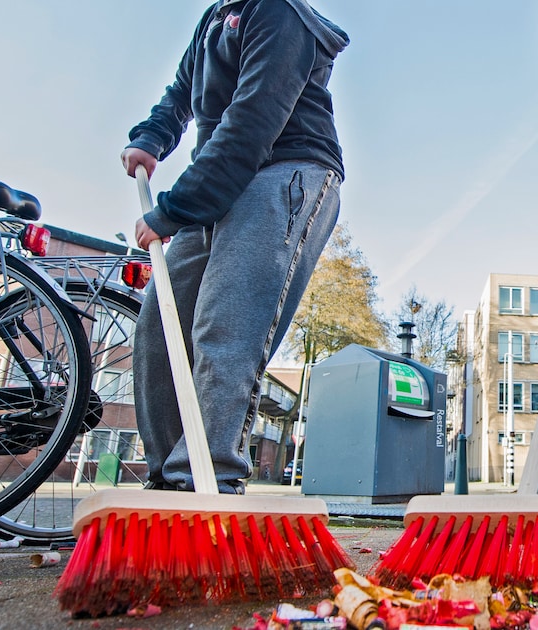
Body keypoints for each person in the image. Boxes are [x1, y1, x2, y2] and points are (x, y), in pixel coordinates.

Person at [120, 0, 348, 495]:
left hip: (284, 170)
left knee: (227, 324)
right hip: (218, 182)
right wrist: (153, 136)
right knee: (160, 327)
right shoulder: (214, 17)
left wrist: (172, 210)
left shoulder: (278, 12)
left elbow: (250, 125)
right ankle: (169, 486)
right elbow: (181, 92)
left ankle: (207, 480)